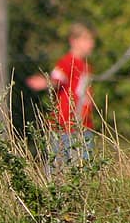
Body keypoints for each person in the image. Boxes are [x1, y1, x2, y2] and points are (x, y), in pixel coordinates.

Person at [25, 22, 97, 167]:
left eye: (91, 40)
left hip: (84, 126)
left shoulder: (87, 66)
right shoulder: (66, 62)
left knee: (84, 167)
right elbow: (57, 80)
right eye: (86, 39)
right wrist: (45, 82)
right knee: (59, 168)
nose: (91, 44)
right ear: (73, 40)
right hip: (64, 126)